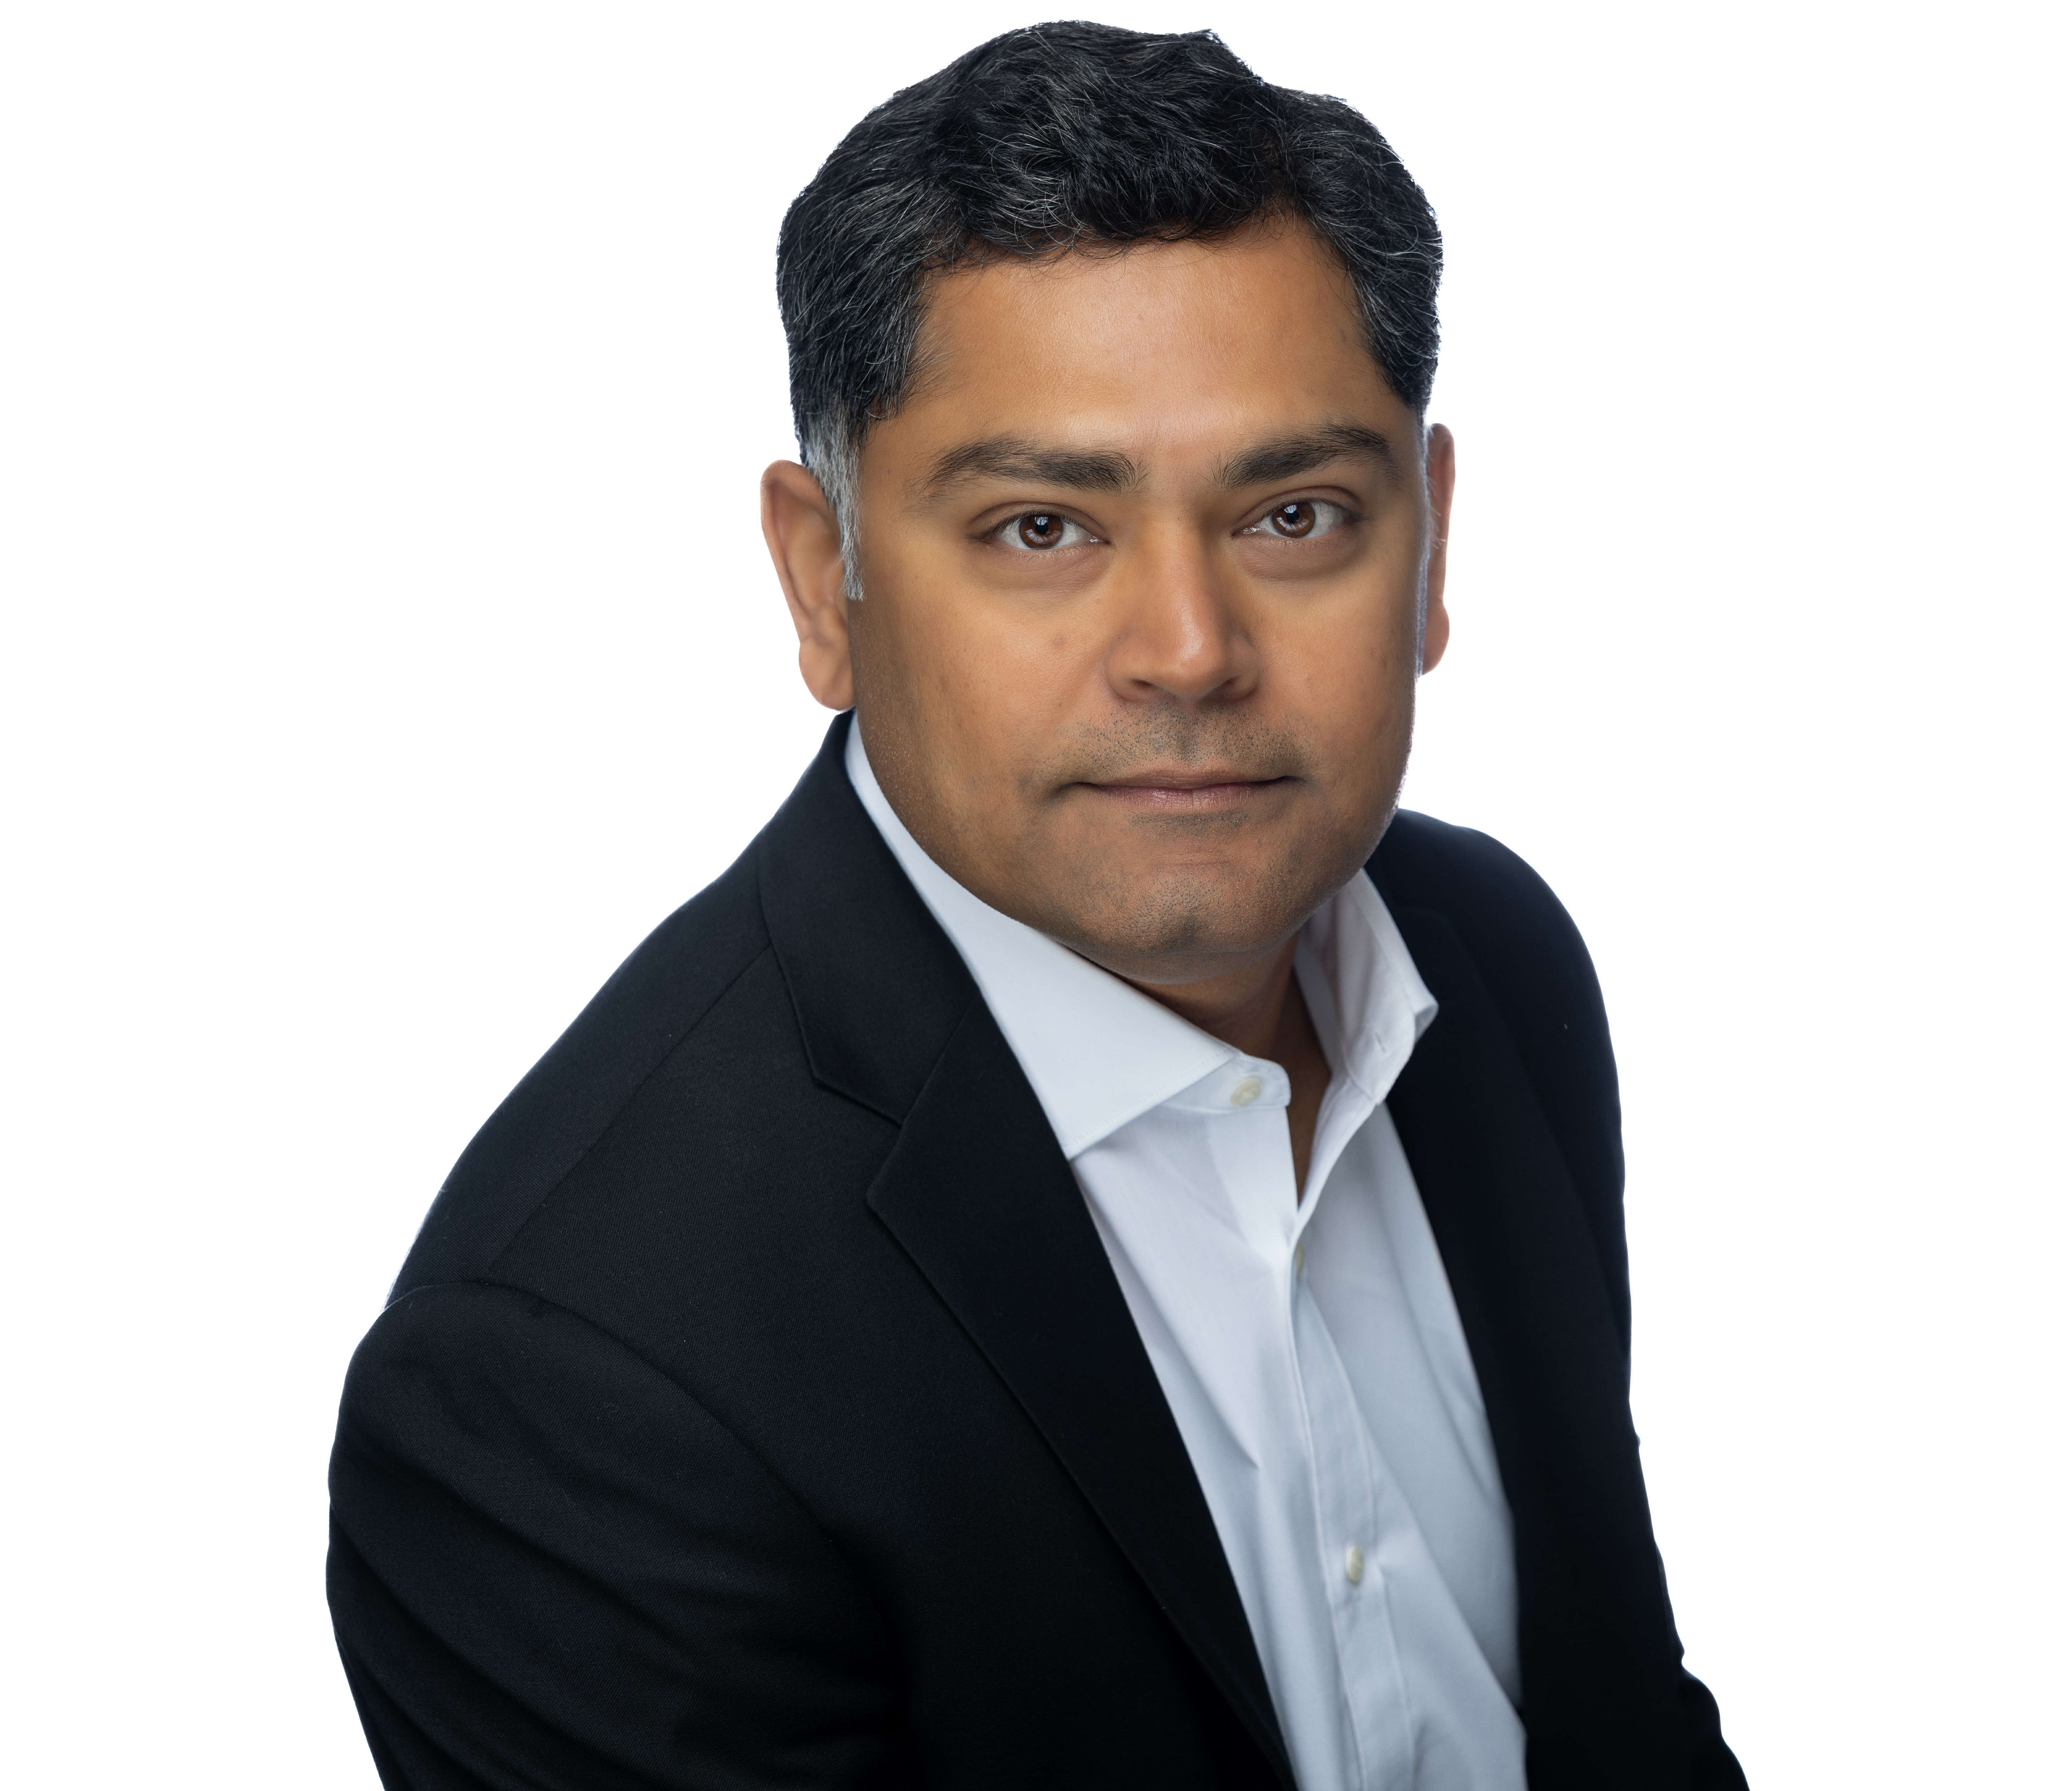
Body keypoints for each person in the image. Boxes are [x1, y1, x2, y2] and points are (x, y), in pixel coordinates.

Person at [327, 22, 1746, 1790]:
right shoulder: (566, 1386)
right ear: (823, 583)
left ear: (1432, 542)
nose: (1189, 651)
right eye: (1041, 530)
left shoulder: (1494, 957)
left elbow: (1616, 1716)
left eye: (1294, 513)